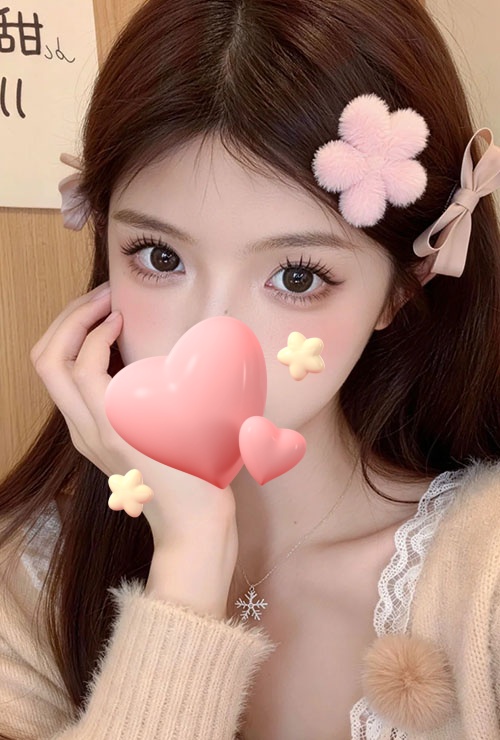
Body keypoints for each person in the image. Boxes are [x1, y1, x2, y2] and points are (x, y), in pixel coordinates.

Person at [1, 0, 499, 737]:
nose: (210, 334)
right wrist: (190, 560)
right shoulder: (32, 576)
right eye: (159, 257)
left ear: (400, 287)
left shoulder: (485, 576)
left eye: (297, 276)